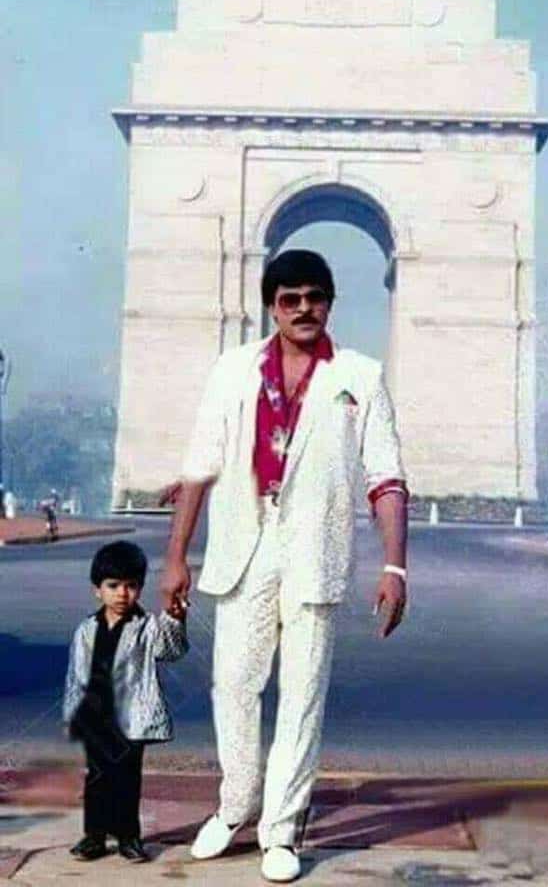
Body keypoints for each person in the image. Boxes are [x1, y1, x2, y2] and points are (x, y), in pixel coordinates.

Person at [161, 249, 408, 883]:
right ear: (271, 305)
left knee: (301, 697)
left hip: (315, 552)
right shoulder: (232, 370)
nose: (303, 309)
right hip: (245, 544)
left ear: (329, 303)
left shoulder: (360, 374)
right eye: (290, 299)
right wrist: (175, 560)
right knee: (234, 687)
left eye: (315, 298)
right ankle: (236, 804)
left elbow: (386, 477)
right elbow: (198, 467)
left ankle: (282, 829)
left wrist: (395, 568)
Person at [63, 540, 189, 863]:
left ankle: (128, 837)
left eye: (131, 586)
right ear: (97, 590)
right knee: (96, 777)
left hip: (132, 717)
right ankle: (94, 836)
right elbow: (76, 676)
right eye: (113, 585)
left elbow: (172, 650)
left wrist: (175, 619)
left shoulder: (147, 627)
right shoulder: (86, 630)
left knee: (127, 778)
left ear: (140, 589)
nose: (122, 594)